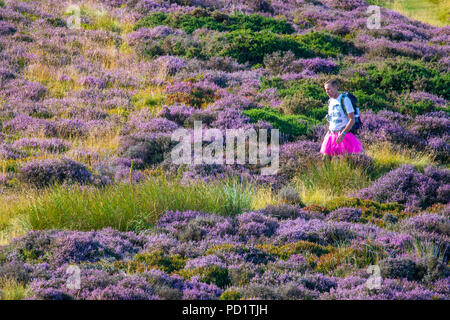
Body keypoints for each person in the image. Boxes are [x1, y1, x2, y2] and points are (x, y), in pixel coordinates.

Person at [320, 79, 364, 159]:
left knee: (347, 161)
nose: (327, 92)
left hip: (344, 136)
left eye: (329, 89)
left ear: (335, 87)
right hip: (331, 136)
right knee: (326, 160)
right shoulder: (330, 101)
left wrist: (343, 134)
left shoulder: (344, 99)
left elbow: (352, 119)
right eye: (326, 90)